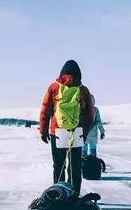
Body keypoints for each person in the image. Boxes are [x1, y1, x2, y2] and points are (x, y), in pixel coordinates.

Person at [39, 60, 94, 194]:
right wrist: (84, 133)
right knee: (75, 166)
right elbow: (89, 114)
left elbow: (46, 109)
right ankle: (74, 195)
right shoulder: (83, 90)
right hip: (76, 131)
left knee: (58, 165)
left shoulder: (54, 87)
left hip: (57, 131)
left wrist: (43, 130)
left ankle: (58, 195)